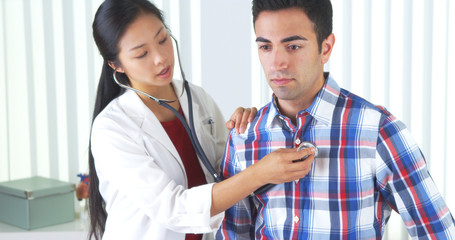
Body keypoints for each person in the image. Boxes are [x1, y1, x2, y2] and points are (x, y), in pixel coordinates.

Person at [217, 0, 455, 239]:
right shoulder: (243, 137)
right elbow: (232, 234)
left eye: (293, 46)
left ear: (326, 48)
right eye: (266, 47)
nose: (277, 63)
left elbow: (437, 232)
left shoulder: (377, 131)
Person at [88, 0, 313, 239]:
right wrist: (260, 173)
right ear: (116, 64)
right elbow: (174, 209)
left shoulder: (196, 97)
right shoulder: (112, 128)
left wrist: (246, 133)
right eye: (142, 54)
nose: (160, 58)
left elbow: (226, 174)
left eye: (163, 39)